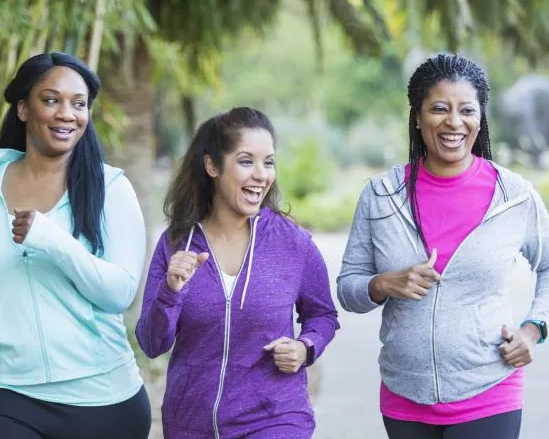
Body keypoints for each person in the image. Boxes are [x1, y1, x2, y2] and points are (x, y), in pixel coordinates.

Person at [0, 52, 151, 438]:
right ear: (23, 109)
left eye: (79, 104)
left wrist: (53, 240)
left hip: (102, 399)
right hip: (6, 396)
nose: (67, 113)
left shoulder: (111, 190)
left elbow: (119, 295)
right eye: (51, 100)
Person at [337, 53, 549, 439]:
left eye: (466, 109)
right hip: (405, 398)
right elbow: (349, 288)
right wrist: (383, 284)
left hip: (489, 391)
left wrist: (533, 329)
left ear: (480, 117)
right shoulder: (382, 196)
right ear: (417, 116)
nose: (454, 122)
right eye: (439, 108)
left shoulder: (514, 197)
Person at [136, 107, 339, 438]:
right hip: (191, 425)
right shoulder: (177, 244)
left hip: (275, 419)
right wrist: (170, 291)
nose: (261, 175)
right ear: (212, 166)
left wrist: (305, 347)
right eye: (247, 161)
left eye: (268, 162)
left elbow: (323, 315)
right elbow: (151, 343)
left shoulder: (291, 242)